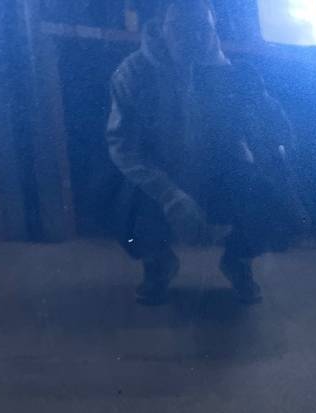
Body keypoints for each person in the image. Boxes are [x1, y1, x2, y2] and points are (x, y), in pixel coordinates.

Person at [106, 0, 304, 305]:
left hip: (218, 174)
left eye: (203, 28)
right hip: (158, 175)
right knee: (119, 203)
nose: (194, 38)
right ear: (160, 28)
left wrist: (257, 97)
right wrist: (170, 195)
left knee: (280, 204)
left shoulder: (234, 74)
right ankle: (158, 262)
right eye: (182, 28)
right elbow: (122, 146)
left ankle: (239, 259)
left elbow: (280, 134)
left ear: (214, 29)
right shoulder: (133, 73)